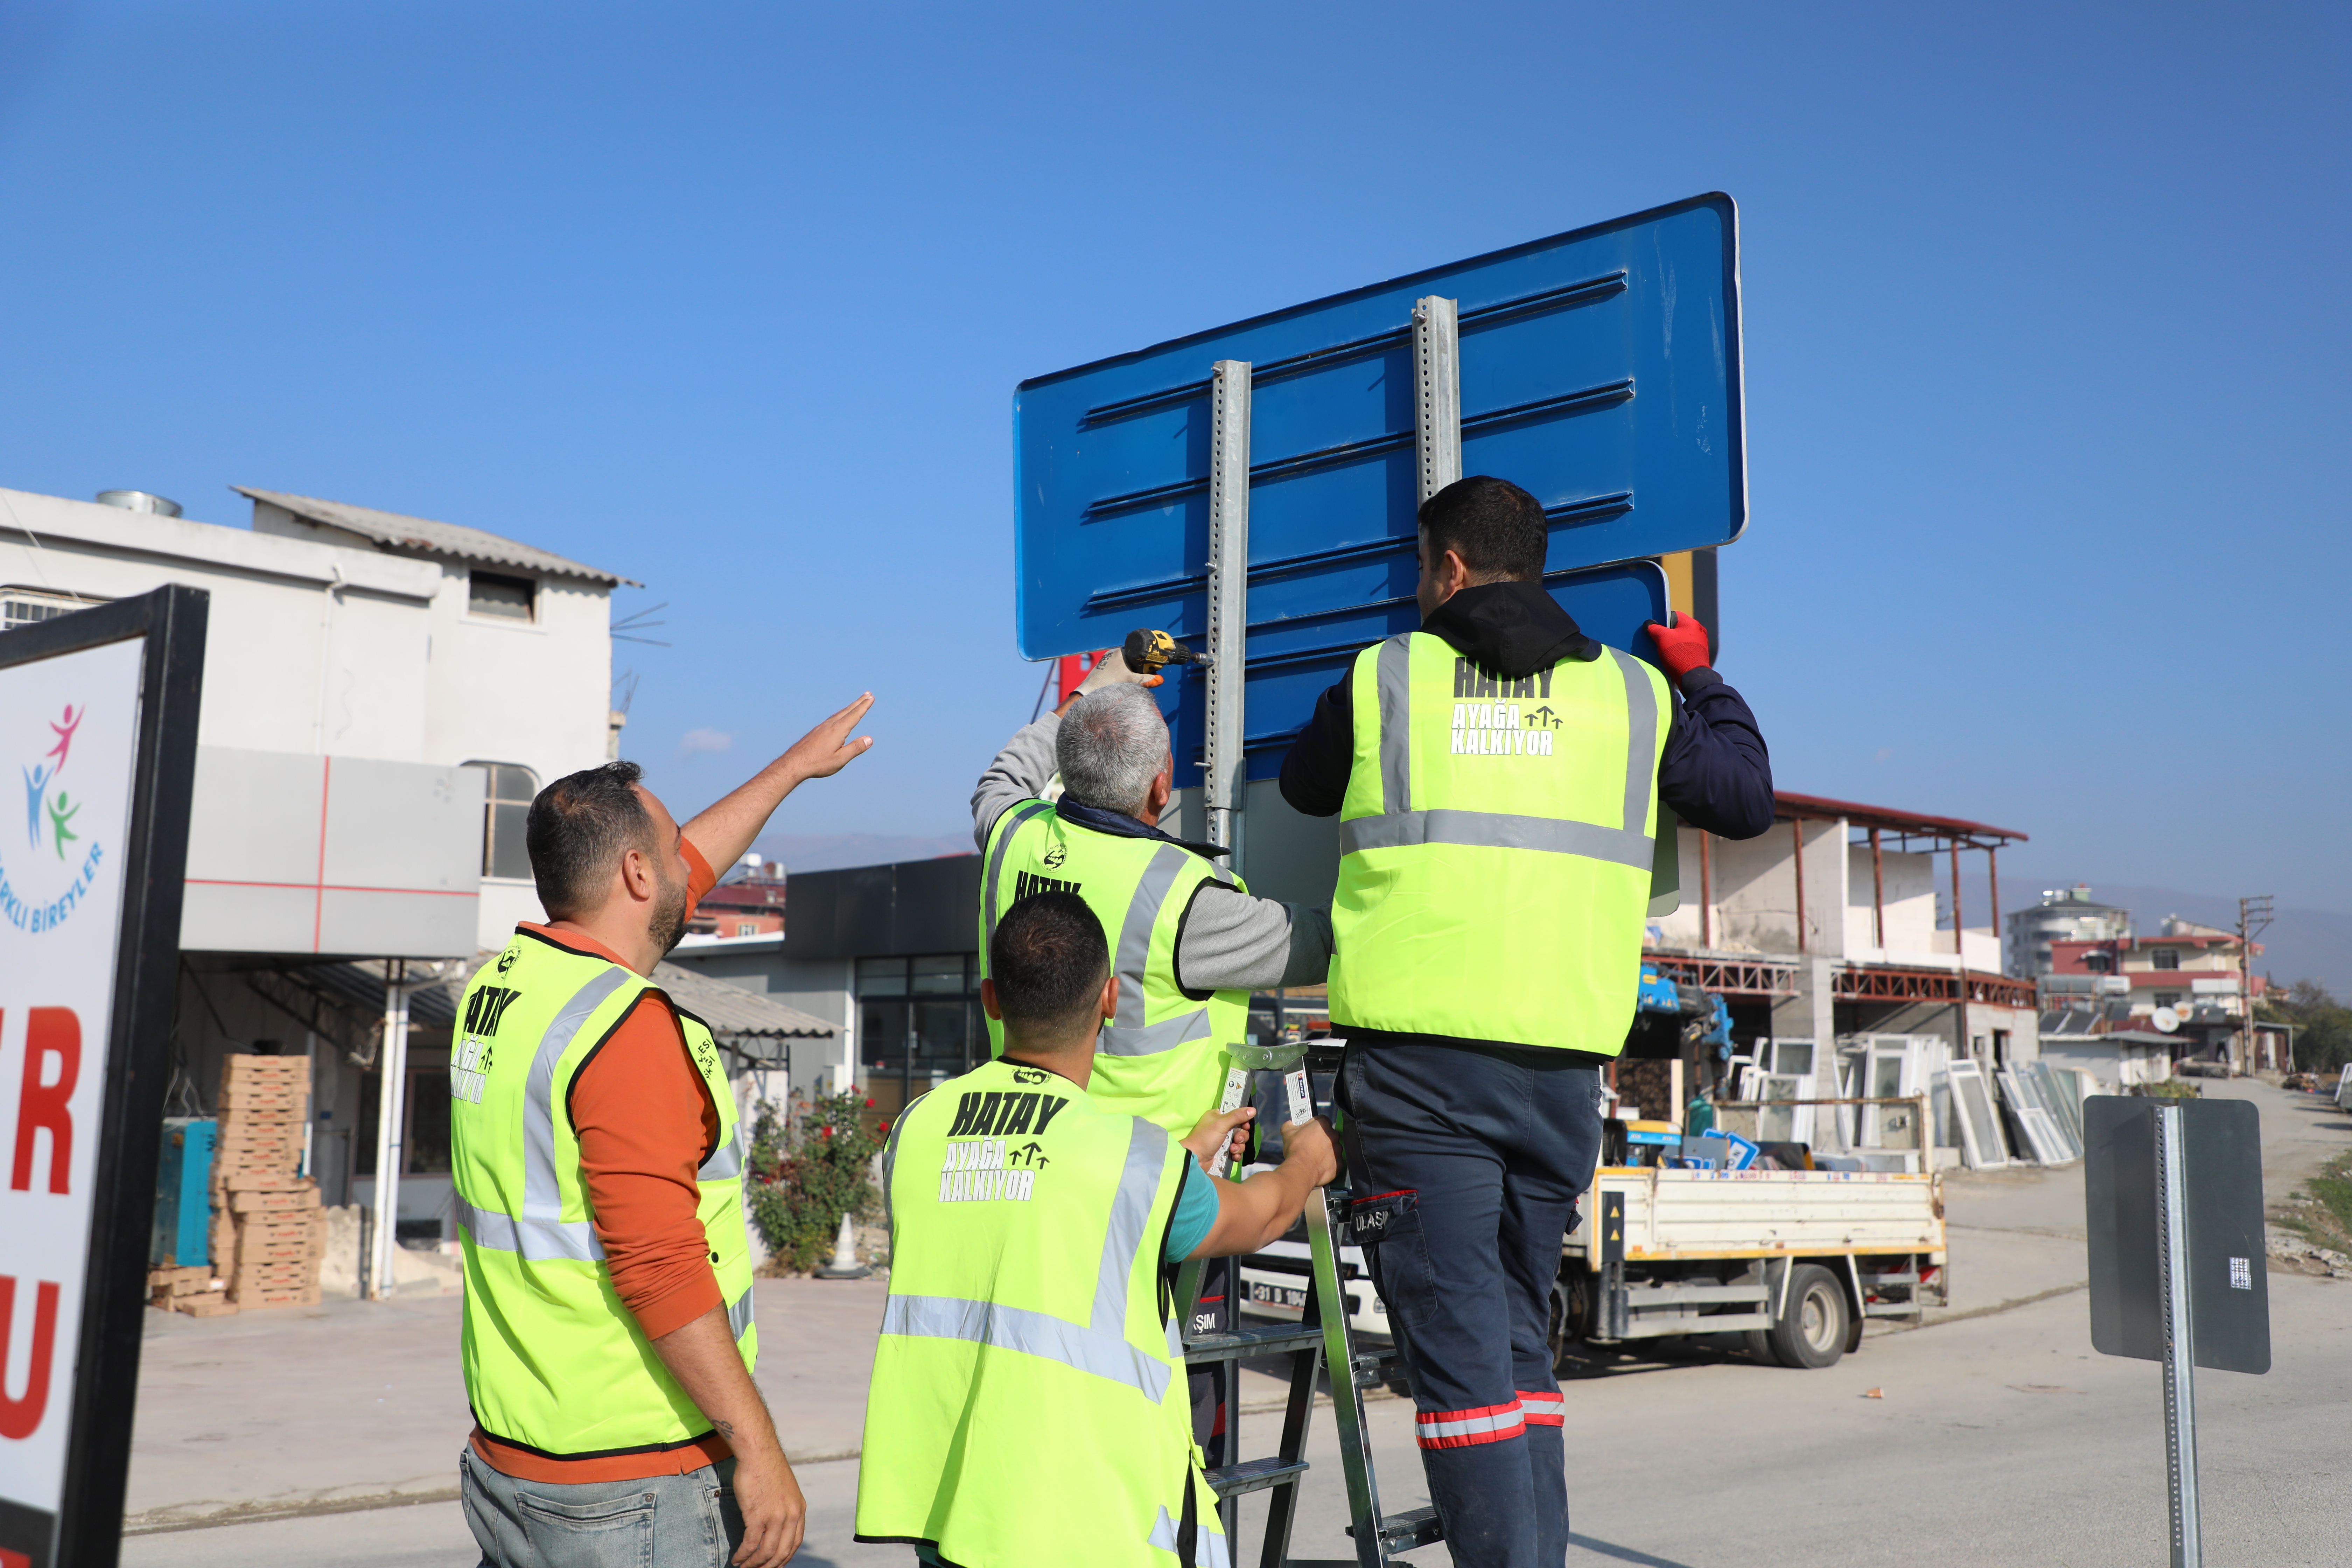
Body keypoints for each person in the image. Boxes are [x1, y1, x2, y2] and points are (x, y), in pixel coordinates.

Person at [1278, 476, 1775, 1568]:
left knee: (1460, 1366)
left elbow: (1306, 790)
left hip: (1418, 1074)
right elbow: (1746, 796)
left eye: (1421, 569)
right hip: (1560, 1078)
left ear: (1449, 568)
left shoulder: (1385, 677)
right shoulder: (1640, 698)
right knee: (1514, 1344)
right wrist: (1703, 677)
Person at [450, 695, 876, 1568]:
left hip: (516, 1457)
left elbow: (679, 866)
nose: (692, 865)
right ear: (638, 876)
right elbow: (661, 1266)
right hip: (629, 1480)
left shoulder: (502, 991)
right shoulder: (625, 1028)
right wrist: (759, 1448)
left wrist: (788, 772)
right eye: (672, 852)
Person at [855, 891, 1339, 1568]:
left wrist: (1177, 1165)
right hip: (1087, 1524)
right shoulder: (1130, 1156)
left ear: (991, 999)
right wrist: (1306, 1163)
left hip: (951, 1511)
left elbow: (1024, 1195)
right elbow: (1260, 1215)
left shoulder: (916, 1129)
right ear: (1111, 998)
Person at [971, 663, 1335, 1442]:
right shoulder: (1186, 897)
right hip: (1166, 1204)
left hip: (1029, 1174)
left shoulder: (1010, 835)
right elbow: (1325, 942)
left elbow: (1006, 773)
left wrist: (1090, 690)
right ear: (1161, 786)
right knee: (1172, 1436)